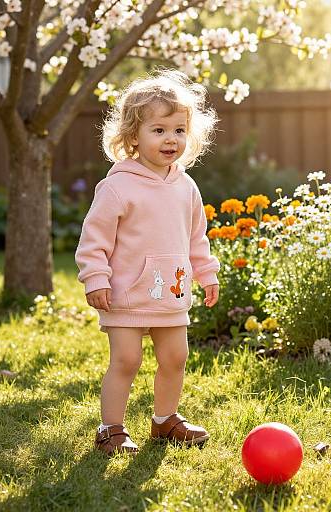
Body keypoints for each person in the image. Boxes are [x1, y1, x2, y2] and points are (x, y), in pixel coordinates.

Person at [75, 68, 221, 456]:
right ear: (132, 136)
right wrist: (95, 278)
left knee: (176, 357)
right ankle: (111, 430)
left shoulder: (185, 186)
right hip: (125, 294)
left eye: (178, 130)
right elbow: (94, 239)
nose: (170, 139)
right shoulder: (118, 186)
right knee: (127, 359)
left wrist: (206, 273)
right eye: (158, 130)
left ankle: (165, 420)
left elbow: (196, 237)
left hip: (170, 292)